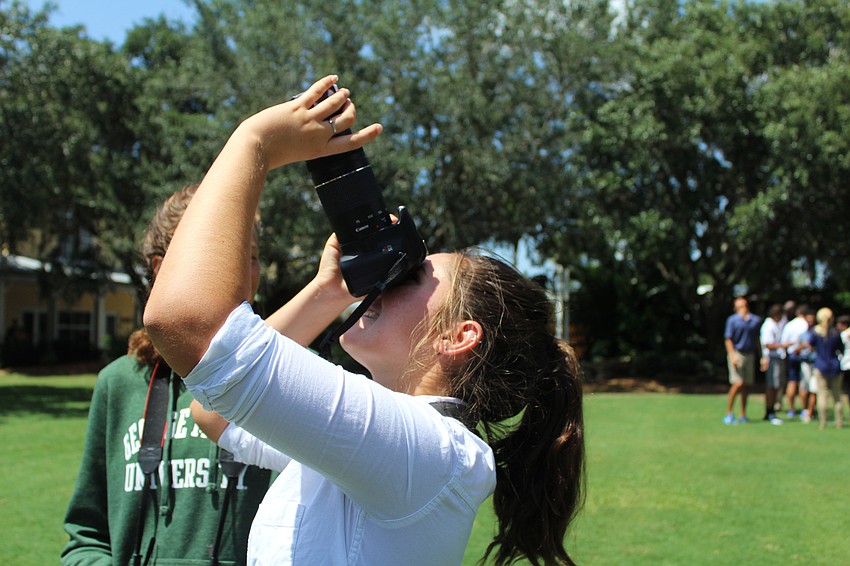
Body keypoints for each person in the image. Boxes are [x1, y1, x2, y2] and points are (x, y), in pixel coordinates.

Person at [143, 75, 586, 566]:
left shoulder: (428, 452)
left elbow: (191, 326)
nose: (384, 284)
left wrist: (256, 141)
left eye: (411, 275)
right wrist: (329, 291)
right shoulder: (391, 446)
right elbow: (214, 413)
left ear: (458, 336)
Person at [61, 184, 273, 566]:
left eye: (251, 255)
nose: (241, 270)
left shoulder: (287, 378)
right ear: (161, 268)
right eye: (221, 252)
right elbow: (86, 538)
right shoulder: (119, 383)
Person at [723, 296, 762, 424]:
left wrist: (762, 356)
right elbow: (728, 339)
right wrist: (732, 355)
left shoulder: (755, 320)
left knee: (747, 385)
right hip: (737, 353)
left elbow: (758, 339)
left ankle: (742, 414)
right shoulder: (732, 320)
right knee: (738, 383)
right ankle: (729, 413)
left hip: (750, 354)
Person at [806, 308, 844, 430]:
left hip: (820, 365)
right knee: (837, 396)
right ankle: (839, 422)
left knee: (822, 395)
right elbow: (841, 349)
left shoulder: (816, 332)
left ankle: (823, 422)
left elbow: (810, 346)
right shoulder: (836, 332)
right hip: (834, 365)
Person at [780, 304, 810, 418]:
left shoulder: (790, 325)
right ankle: (804, 409)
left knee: (792, 381)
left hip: (792, 354)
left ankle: (791, 409)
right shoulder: (806, 324)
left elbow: (784, 342)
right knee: (804, 383)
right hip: (804, 356)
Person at [760, 304, 787, 424]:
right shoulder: (769, 326)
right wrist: (784, 345)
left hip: (777, 358)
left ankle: (772, 411)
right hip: (772, 359)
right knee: (772, 386)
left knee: (776, 386)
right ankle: (770, 412)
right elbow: (768, 344)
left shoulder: (776, 324)